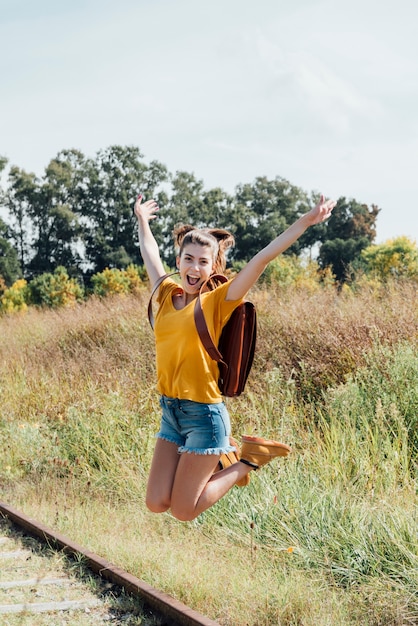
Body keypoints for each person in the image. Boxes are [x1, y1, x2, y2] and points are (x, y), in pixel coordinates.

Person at [134, 192, 336, 521]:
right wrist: (142, 219)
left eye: (203, 261)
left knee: (184, 511)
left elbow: (261, 259)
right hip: (170, 411)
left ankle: (247, 459)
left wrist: (306, 221)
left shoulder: (217, 301)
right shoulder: (165, 295)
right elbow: (149, 252)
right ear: (179, 261)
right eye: (188, 259)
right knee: (156, 501)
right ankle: (228, 458)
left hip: (203, 416)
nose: (194, 267)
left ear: (213, 266)